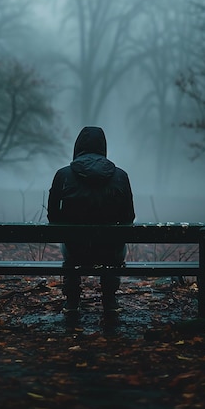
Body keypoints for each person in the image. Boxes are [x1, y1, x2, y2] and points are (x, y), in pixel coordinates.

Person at [47, 126, 135, 313]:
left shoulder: (63, 175)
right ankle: (109, 299)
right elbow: (129, 217)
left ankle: (72, 300)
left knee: (68, 241)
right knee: (115, 243)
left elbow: (53, 217)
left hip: (75, 250)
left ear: (77, 147)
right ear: (103, 147)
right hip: (110, 251)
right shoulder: (121, 176)